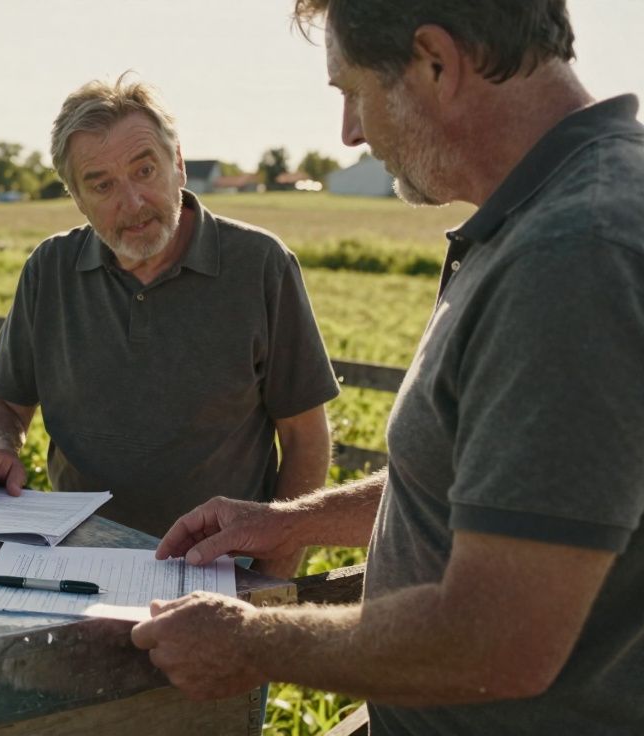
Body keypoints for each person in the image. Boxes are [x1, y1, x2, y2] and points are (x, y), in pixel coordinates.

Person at [130, 1, 644, 733]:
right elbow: (499, 483)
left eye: (351, 90)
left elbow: (499, 641)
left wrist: (250, 643)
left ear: (435, 62)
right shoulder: (550, 214)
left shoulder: (574, 257)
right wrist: (291, 524)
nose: (350, 131)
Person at [0, 76, 340, 574]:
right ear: (77, 199)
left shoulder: (259, 265)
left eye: (144, 170)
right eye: (101, 185)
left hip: (214, 575)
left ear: (179, 164)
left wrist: (271, 574)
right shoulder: (50, 269)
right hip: (73, 568)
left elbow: (305, 438)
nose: (131, 202)